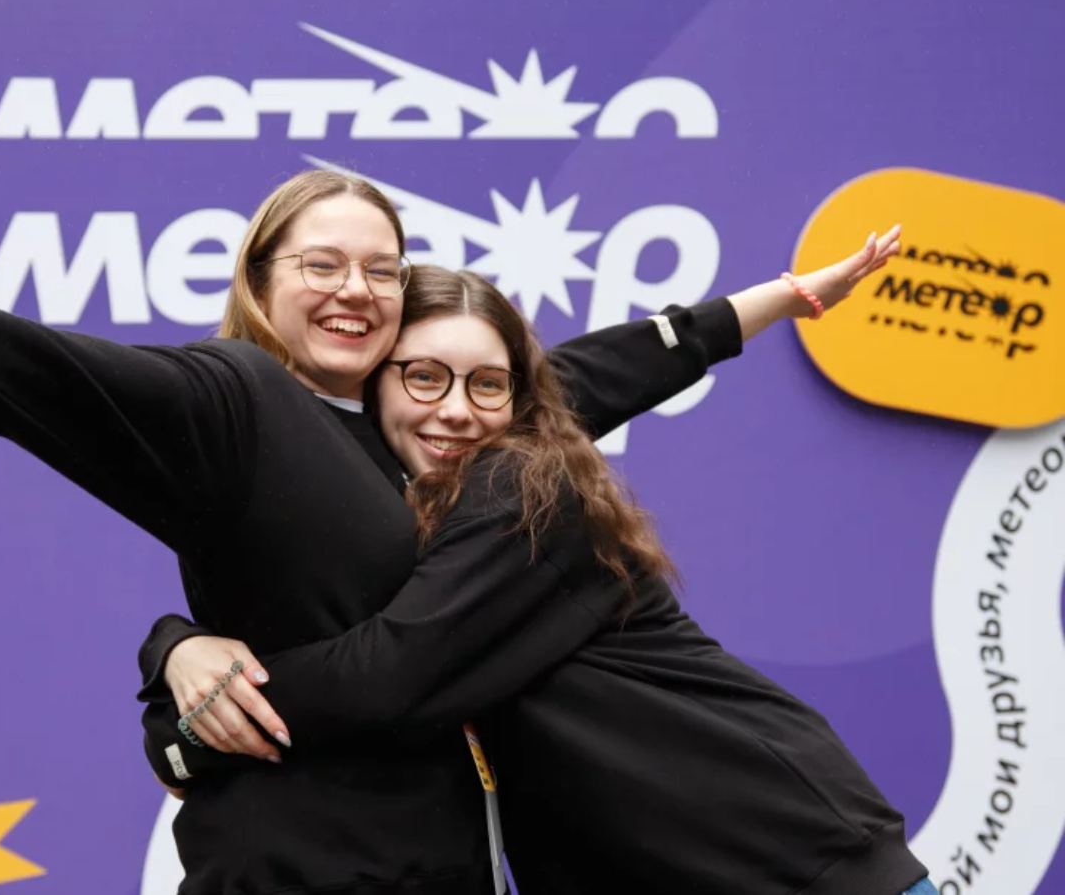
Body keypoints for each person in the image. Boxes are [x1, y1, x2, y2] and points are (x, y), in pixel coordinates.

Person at [0, 168, 888, 895]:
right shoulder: (237, 396)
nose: (355, 288)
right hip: (291, 866)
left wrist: (767, 304)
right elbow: (93, 380)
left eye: (380, 270)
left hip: (434, 864)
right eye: (322, 264)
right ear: (260, 281)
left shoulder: (434, 436)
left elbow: (577, 379)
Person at [136, 261, 935, 895]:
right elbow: (606, 369)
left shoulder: (515, 491)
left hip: (783, 856)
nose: (456, 409)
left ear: (517, 399)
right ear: (373, 383)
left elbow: (386, 676)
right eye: (423, 377)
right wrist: (177, 646)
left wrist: (185, 731)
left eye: (487, 384)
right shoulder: (410, 517)